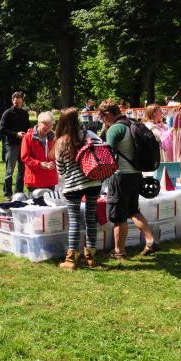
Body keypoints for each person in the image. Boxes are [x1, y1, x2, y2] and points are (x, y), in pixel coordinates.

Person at [98, 100, 159, 259]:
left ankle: (119, 252)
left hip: (120, 176)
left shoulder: (115, 129)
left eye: (102, 118)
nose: (103, 121)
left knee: (118, 216)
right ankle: (151, 241)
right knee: (133, 210)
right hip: (136, 175)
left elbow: (108, 156)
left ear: (108, 114)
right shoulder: (133, 123)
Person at [53, 108, 102, 269]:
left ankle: (71, 259)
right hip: (93, 182)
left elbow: (61, 170)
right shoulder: (86, 135)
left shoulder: (61, 142)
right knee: (90, 219)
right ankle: (91, 258)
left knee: (74, 221)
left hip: (73, 186)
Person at [0, 92, 30, 200]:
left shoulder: (25, 113)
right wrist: (15, 134)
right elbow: (1, 129)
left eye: (20, 102)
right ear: (12, 101)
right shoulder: (7, 113)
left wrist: (27, 134)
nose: (18, 104)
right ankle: (7, 193)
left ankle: (18, 192)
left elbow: (28, 127)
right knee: (10, 170)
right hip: (11, 145)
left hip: (23, 145)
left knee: (22, 169)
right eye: (16, 103)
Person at [21, 111, 58, 195]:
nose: (48, 128)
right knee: (34, 206)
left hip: (50, 178)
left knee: (50, 206)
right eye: (46, 125)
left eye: (51, 126)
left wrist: (53, 163)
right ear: (39, 123)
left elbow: (58, 155)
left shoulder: (54, 137)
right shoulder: (28, 137)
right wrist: (40, 164)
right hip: (35, 178)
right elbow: (25, 157)